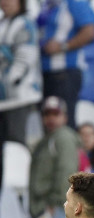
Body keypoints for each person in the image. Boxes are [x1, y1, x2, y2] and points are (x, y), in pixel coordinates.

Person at [29, 95, 79, 218]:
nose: (51, 118)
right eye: (47, 113)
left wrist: (54, 203)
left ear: (64, 117)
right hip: (44, 207)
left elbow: (66, 173)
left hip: (54, 207)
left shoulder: (63, 137)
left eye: (55, 113)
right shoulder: (49, 138)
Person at [36, 0, 94, 125]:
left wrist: (63, 46)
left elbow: (90, 32)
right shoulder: (47, 5)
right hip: (45, 74)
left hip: (64, 74)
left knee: (64, 121)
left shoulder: (74, 3)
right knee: (48, 122)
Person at [0, 0, 42, 187]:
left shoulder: (24, 23)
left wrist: (12, 79)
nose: (6, 2)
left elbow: (25, 57)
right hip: (3, 100)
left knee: (21, 149)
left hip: (20, 99)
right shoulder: (2, 23)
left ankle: (34, 193)